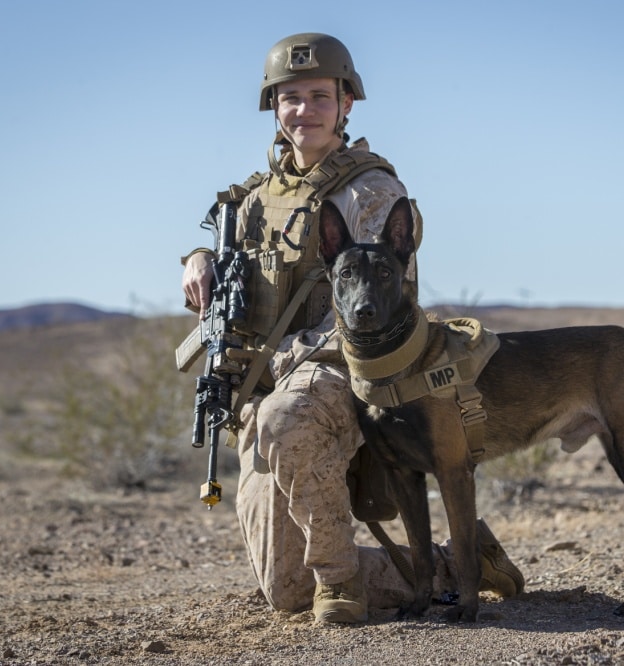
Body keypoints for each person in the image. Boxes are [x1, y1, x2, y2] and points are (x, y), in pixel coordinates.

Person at [180, 33, 523, 624]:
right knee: (285, 589)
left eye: (319, 96)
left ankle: (340, 585)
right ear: (275, 106)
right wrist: (197, 258)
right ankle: (458, 564)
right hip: (266, 387)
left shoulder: (372, 191)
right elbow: (236, 264)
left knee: (284, 417)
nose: (304, 111)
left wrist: (286, 357)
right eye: (291, 98)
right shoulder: (259, 195)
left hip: (345, 373)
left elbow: (385, 308)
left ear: (346, 105)